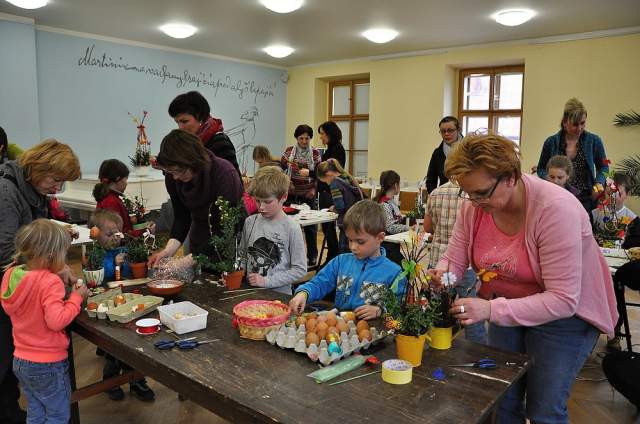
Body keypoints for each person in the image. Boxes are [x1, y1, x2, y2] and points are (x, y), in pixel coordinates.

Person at [429, 133, 618, 423]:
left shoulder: (556, 209)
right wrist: (443, 274)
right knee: (502, 398)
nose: (474, 202)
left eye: (481, 193)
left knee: (544, 410)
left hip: (566, 317)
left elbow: (563, 300)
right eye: (468, 193)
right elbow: (454, 257)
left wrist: (490, 309)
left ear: (510, 177)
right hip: (507, 305)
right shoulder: (475, 205)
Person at [0, 139, 80, 424]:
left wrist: (59, 265)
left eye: (62, 182)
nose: (57, 188)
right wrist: (54, 270)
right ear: (37, 168)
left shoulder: (33, 190)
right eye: (55, 180)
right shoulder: (7, 192)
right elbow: (7, 252)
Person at [1, 219, 88, 424]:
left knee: (36, 412)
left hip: (21, 361)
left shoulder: (12, 274)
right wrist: (76, 298)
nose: (64, 260)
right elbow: (56, 321)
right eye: (63, 255)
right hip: (47, 364)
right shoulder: (49, 282)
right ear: (50, 256)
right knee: (58, 415)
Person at [289, 200, 405, 320]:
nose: (353, 247)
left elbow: (399, 307)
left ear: (380, 237)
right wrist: (304, 293)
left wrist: (381, 310)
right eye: (350, 240)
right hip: (339, 325)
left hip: (373, 328)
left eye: (360, 242)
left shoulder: (394, 273)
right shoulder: (340, 262)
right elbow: (319, 283)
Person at [87, 209, 155, 401]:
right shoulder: (97, 253)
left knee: (133, 343)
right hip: (107, 303)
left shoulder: (123, 249)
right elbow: (102, 273)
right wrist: (115, 264)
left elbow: (131, 270)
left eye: (117, 233)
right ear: (96, 234)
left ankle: (137, 380)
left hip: (128, 299)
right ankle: (111, 381)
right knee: (112, 346)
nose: (115, 238)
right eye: (109, 234)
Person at [148, 130, 243, 266]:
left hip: (227, 247)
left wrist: (186, 261)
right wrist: (168, 251)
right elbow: (181, 217)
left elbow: (226, 230)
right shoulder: (173, 176)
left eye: (180, 171)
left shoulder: (225, 174)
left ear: (194, 161)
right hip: (199, 240)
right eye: (171, 171)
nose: (175, 177)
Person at [423, 180, 486, 344]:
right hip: (468, 264)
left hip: (438, 262)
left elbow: (427, 228)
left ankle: (437, 347)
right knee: (471, 316)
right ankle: (476, 351)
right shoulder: (475, 193)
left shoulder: (435, 193)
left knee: (437, 314)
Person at [239, 166, 307, 294]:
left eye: (267, 202)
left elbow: (300, 269)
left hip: (279, 296)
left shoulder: (291, 228)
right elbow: (243, 255)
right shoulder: (250, 222)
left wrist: (267, 281)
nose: (261, 207)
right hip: (250, 293)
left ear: (284, 197)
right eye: (257, 201)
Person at [537, 98, 608, 214]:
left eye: (582, 123)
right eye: (575, 124)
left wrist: (599, 184)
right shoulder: (550, 142)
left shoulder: (595, 141)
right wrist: (551, 179)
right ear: (565, 122)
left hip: (585, 200)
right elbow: (540, 169)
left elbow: (605, 167)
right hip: (557, 197)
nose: (579, 128)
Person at [168, 91, 240, 174]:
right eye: (177, 122)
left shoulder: (220, 142)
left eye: (184, 121)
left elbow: (232, 177)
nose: (180, 127)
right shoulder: (189, 143)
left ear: (200, 117)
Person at [281, 124, 321, 267]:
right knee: (290, 227)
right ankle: (289, 257)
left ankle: (312, 256)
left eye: (307, 138)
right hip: (291, 194)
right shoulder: (289, 152)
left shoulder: (315, 153)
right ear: (296, 138)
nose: (304, 141)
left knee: (310, 227)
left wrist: (314, 189)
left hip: (308, 193)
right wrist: (287, 182)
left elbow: (319, 174)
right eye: (301, 138)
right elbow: (282, 169)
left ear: (310, 138)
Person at [93, 159, 155, 237]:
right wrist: (146, 231)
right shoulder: (111, 201)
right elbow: (119, 235)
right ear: (118, 179)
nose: (126, 183)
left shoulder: (109, 198)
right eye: (126, 179)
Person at [317, 159, 364, 253]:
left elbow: (340, 207)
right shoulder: (347, 177)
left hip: (346, 221)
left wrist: (333, 208)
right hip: (358, 219)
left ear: (328, 174)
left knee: (344, 251)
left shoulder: (334, 184)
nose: (327, 184)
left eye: (325, 181)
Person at [318, 121, 346, 263]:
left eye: (323, 134)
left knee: (329, 227)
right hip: (325, 192)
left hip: (330, 193)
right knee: (327, 228)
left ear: (329, 134)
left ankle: (333, 256)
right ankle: (332, 255)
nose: (321, 137)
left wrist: (310, 172)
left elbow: (328, 171)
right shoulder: (331, 148)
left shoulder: (336, 149)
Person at [426, 116, 463, 193]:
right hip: (444, 195)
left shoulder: (469, 149)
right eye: (443, 131)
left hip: (467, 195)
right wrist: (433, 195)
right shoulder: (437, 153)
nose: (446, 134)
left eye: (450, 130)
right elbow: (431, 180)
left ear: (458, 130)